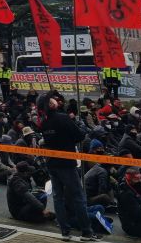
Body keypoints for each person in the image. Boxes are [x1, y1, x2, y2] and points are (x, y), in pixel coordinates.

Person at [37, 94, 99, 241]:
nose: (56, 100)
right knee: (78, 197)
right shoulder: (63, 118)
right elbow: (79, 136)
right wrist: (77, 126)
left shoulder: (44, 123)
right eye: (52, 99)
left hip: (52, 163)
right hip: (66, 163)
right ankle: (86, 232)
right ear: (50, 104)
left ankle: (65, 231)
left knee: (58, 197)